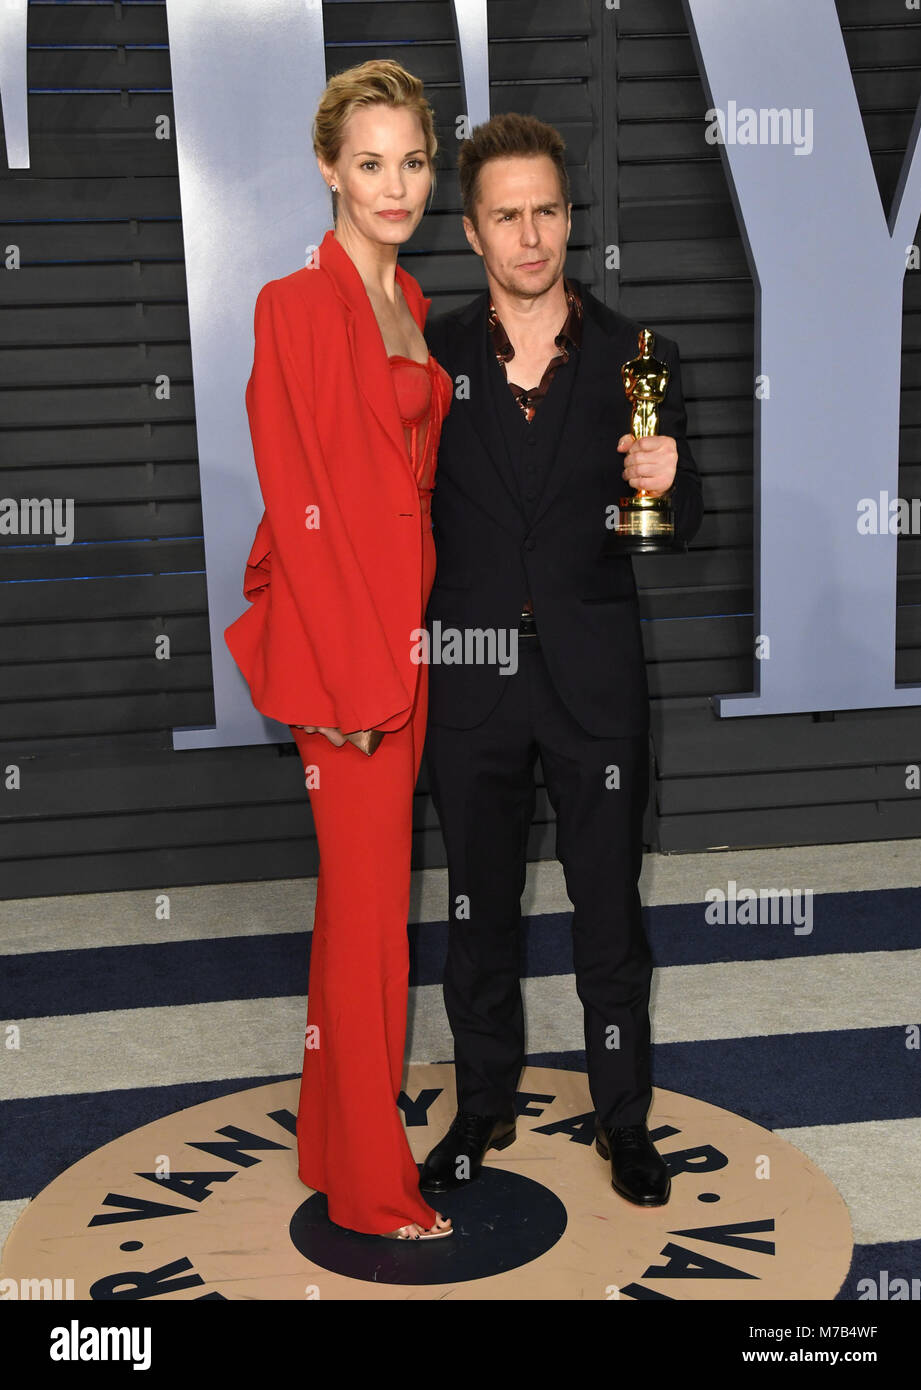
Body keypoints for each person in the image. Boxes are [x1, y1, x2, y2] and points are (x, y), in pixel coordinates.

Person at [418, 113, 703, 1207]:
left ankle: (623, 1118)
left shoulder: (644, 359)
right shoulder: (430, 355)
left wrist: (671, 483)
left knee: (608, 913)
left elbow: (685, 525)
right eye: (506, 216)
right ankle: (481, 1103)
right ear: (473, 231)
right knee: (477, 911)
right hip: (470, 675)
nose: (529, 235)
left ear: (570, 220)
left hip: (595, 683)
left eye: (546, 211)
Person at [224, 60, 453, 1240]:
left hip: (406, 635)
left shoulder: (408, 299)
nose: (396, 183)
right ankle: (371, 1186)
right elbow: (296, 496)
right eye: (371, 163)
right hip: (345, 652)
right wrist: (354, 677)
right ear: (329, 168)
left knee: (360, 907)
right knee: (371, 925)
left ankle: (326, 1136)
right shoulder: (293, 304)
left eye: (412, 160)